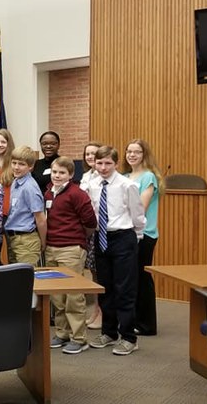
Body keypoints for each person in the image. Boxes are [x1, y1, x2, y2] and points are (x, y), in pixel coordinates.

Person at [86, 146, 146, 356]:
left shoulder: (127, 185)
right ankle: (109, 333)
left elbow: (137, 213)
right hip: (102, 238)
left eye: (108, 164)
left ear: (116, 164)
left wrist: (136, 236)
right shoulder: (92, 185)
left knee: (124, 289)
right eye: (99, 163)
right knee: (106, 287)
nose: (103, 168)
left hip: (123, 237)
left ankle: (129, 337)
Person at [44, 156, 98, 354]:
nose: (57, 176)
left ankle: (79, 337)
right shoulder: (49, 192)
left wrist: (78, 238)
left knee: (73, 295)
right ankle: (62, 333)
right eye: (55, 172)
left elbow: (90, 221)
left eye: (62, 173)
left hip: (71, 249)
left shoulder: (77, 193)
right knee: (57, 297)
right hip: (51, 248)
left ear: (71, 175)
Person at [121, 139, 164, 336]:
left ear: (144, 155)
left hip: (144, 234)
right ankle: (135, 320)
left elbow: (141, 207)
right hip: (126, 232)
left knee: (142, 278)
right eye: (129, 151)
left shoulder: (148, 177)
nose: (132, 155)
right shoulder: (125, 176)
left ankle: (148, 324)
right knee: (132, 279)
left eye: (136, 152)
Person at [3, 146, 46, 266]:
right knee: (15, 278)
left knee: (28, 278)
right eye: (14, 163)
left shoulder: (30, 187)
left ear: (30, 167)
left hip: (27, 240)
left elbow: (40, 218)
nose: (16, 167)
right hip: (13, 238)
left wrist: (43, 242)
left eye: (21, 164)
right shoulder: (16, 182)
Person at [79, 141, 103, 329]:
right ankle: (95, 311)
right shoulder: (86, 175)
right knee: (93, 273)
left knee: (101, 274)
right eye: (87, 154)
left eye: (94, 154)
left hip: (102, 230)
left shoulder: (103, 177)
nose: (90, 157)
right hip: (88, 229)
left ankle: (102, 312)